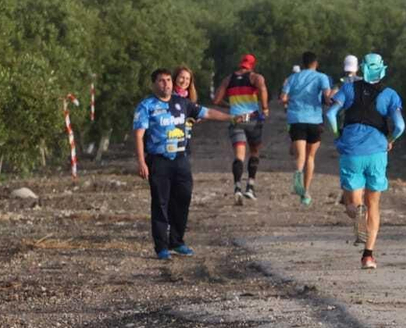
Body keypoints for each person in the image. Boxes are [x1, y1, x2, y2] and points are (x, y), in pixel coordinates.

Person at [133, 68, 231, 259]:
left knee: (183, 199)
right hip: (159, 160)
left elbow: (207, 112)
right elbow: (139, 134)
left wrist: (231, 117)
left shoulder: (182, 103)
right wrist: (141, 161)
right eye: (161, 81)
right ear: (154, 84)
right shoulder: (146, 106)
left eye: (169, 80)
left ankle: (177, 241)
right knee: (160, 202)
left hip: (180, 159)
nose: (166, 84)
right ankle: (161, 246)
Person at [325, 53, 404, 269]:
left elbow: (331, 115)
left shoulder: (349, 89)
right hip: (377, 151)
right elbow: (400, 126)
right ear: (383, 70)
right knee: (374, 204)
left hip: (351, 150)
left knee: (353, 203)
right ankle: (368, 255)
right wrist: (390, 140)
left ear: (362, 68)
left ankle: (357, 214)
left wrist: (337, 136)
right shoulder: (390, 95)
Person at [213, 53, 269, 203]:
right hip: (252, 119)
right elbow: (262, 90)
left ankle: (237, 187)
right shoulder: (256, 77)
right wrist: (264, 108)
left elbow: (216, 100)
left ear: (241, 63)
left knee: (239, 155)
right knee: (255, 151)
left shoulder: (228, 79)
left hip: (236, 119)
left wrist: (230, 105)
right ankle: (250, 186)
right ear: (252, 65)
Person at [279, 52, 332, 206]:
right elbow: (327, 98)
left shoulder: (292, 78)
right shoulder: (322, 77)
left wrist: (293, 99)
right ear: (316, 63)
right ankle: (306, 192)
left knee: (300, 155)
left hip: (296, 119)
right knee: (310, 157)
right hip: (314, 119)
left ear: (303, 63)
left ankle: (297, 173)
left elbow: (283, 98)